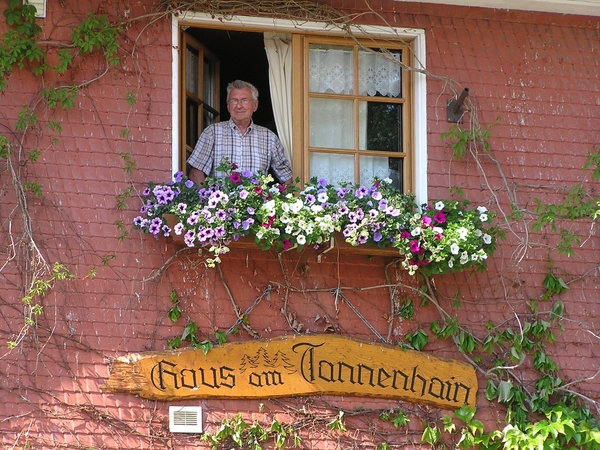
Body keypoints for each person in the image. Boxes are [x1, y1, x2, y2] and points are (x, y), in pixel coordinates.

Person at [187, 80, 292, 185]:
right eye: (234, 101)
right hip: (220, 200)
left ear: (255, 105)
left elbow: (287, 177)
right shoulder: (212, 133)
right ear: (228, 106)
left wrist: (277, 201)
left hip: (256, 201)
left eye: (244, 100)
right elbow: (195, 173)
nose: (239, 106)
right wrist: (207, 199)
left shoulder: (269, 138)